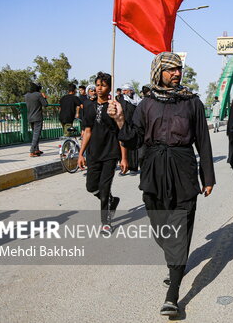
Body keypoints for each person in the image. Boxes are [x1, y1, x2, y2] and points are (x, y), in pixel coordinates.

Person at [107, 52, 215, 317]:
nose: (177, 73)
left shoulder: (192, 102)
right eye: (171, 70)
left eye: (179, 69)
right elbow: (132, 140)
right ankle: (175, 262)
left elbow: (203, 140)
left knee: (180, 226)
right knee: (160, 228)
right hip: (154, 168)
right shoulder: (146, 104)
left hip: (183, 167)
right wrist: (120, 119)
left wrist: (208, 177)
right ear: (158, 73)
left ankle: (173, 294)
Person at [77, 72, 128, 232]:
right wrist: (81, 153)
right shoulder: (89, 107)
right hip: (93, 153)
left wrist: (124, 158)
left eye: (103, 85)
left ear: (110, 87)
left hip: (110, 154)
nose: (99, 88)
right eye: (97, 85)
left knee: (105, 188)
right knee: (91, 186)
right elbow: (87, 131)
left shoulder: (115, 107)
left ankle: (105, 222)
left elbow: (122, 133)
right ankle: (111, 201)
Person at [117, 83, 141, 174]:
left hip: (134, 125)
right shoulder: (122, 100)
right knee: (123, 145)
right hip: (124, 126)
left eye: (126, 90)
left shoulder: (137, 99)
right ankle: (123, 167)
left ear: (131, 90)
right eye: (123, 90)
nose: (124, 92)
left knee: (133, 147)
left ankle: (133, 167)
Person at [24, 82, 48, 157]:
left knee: (35, 134)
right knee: (36, 134)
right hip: (37, 117)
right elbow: (45, 104)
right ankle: (32, 151)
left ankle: (36, 149)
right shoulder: (38, 95)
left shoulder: (26, 95)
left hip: (30, 117)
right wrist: (44, 97)